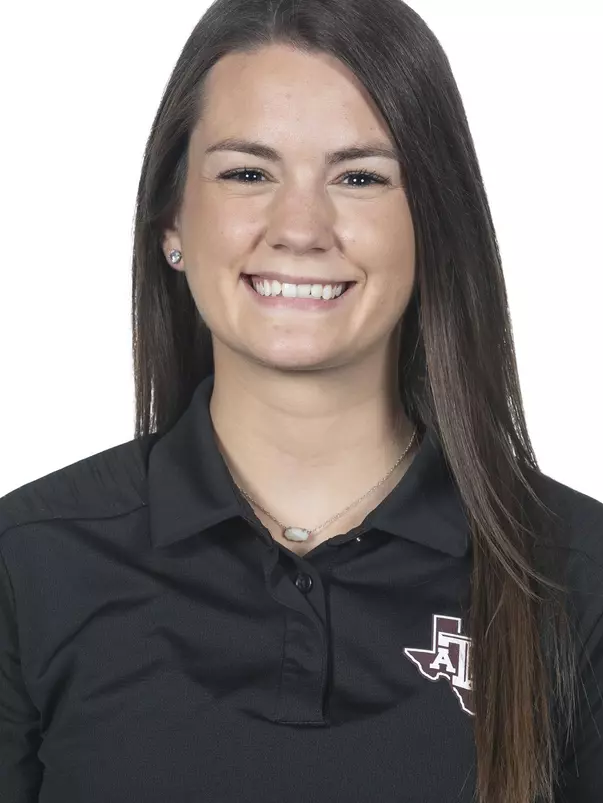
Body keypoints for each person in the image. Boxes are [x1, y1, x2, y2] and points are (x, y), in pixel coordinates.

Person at [1, 0, 601, 801]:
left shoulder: (572, 574)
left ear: (433, 223)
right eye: (248, 172)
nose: (300, 226)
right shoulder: (29, 563)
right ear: (172, 220)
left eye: (359, 177)